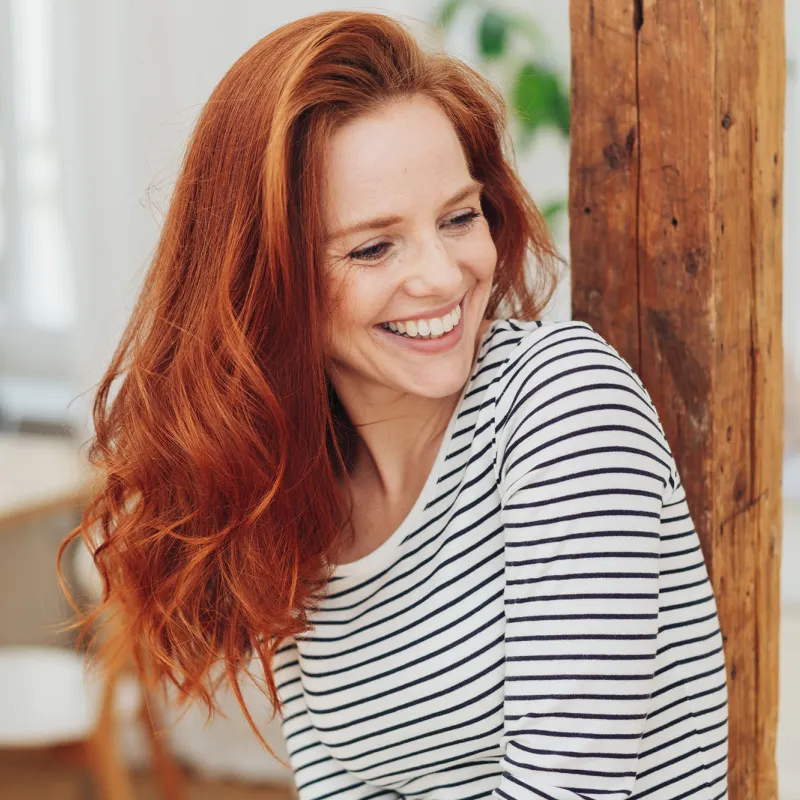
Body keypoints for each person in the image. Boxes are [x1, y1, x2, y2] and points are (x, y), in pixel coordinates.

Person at [58, 10, 728, 799]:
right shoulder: (300, 500)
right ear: (269, 280)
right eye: (374, 246)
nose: (442, 277)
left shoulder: (562, 405)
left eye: (458, 217)